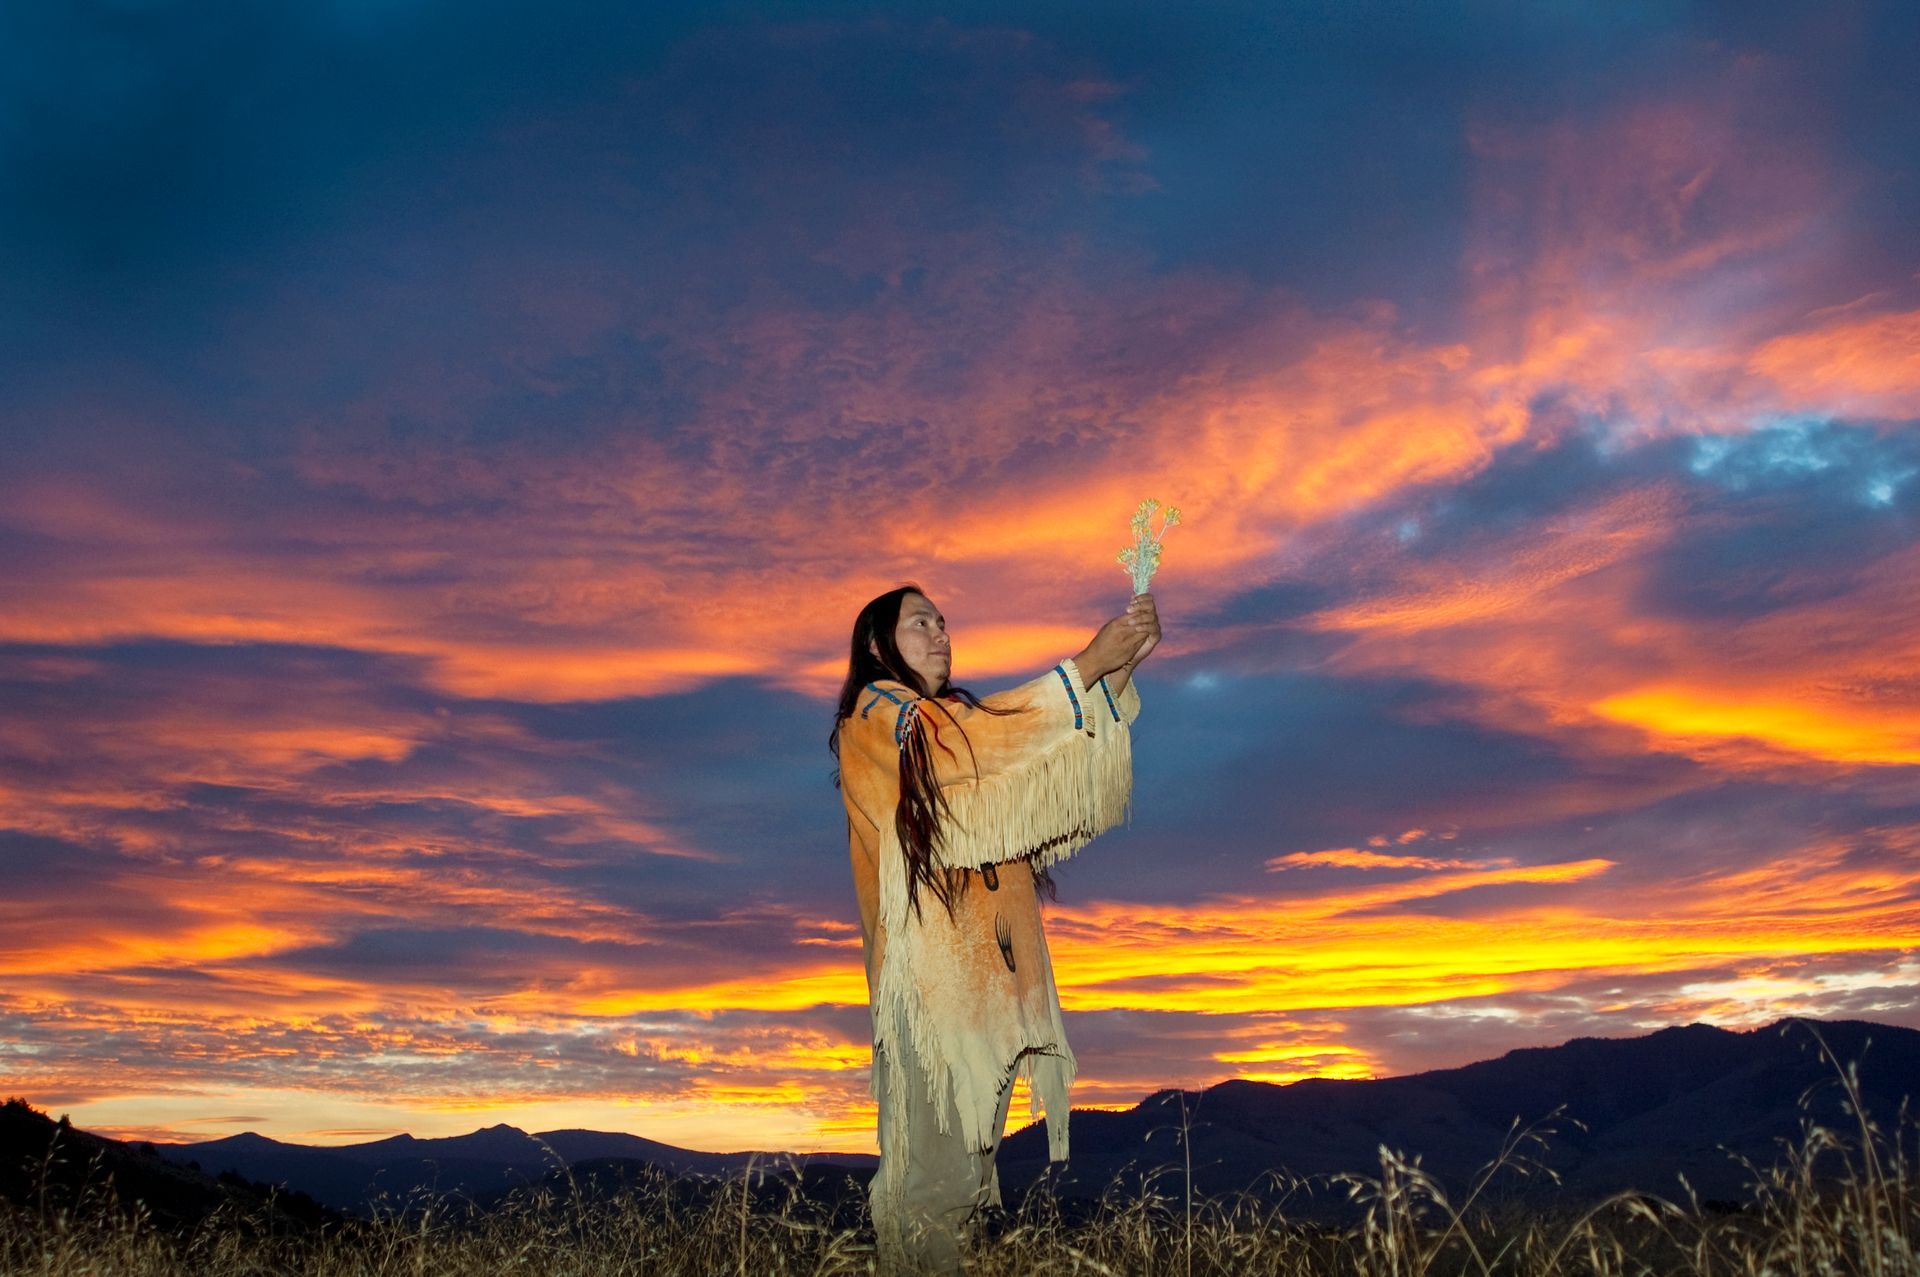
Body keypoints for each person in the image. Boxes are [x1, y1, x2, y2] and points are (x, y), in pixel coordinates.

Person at [831, 584, 1160, 1273]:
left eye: (944, 621)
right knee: (933, 1193)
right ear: (875, 644)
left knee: (970, 1192)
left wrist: (1116, 670)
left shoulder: (957, 720)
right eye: (920, 622)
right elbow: (963, 751)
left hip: (988, 996)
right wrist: (1083, 666)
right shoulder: (877, 716)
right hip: (933, 997)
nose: (941, 632)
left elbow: (1034, 773)